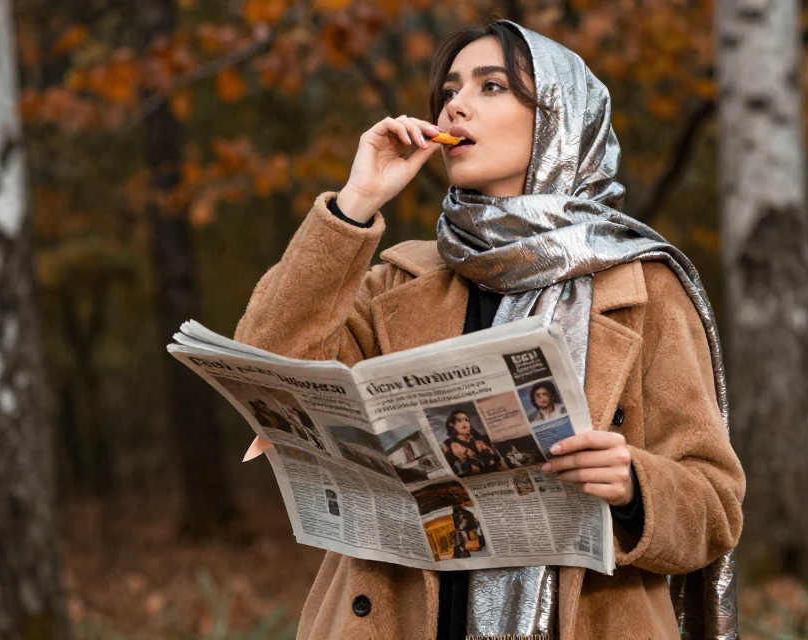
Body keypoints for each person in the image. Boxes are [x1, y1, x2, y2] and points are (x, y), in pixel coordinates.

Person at [233, 17, 744, 640]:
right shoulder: (400, 281)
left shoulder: (642, 286)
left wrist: (634, 484)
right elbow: (265, 366)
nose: (456, 103)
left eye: (491, 86)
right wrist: (356, 202)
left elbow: (714, 505)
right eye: (450, 89)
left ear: (558, 118)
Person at [440, 409, 503, 475]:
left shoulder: (481, 439)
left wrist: (489, 451)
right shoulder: (450, 445)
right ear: (452, 424)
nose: (464, 423)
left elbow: (498, 461)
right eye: (459, 421)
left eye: (466, 420)